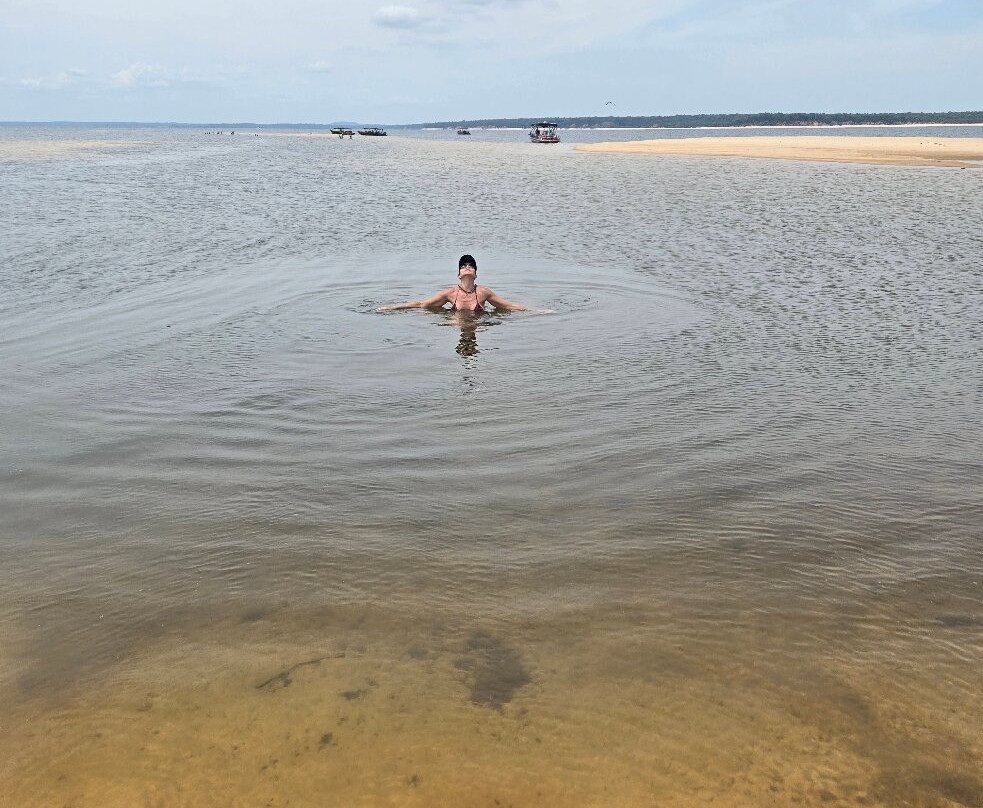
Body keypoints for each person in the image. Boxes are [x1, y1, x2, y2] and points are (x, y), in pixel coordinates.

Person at [378, 255, 538, 313]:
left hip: (476, 325)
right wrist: (393, 307)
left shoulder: (483, 292)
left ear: (475, 274)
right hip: (458, 324)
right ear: (458, 274)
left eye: (471, 265)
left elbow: (508, 306)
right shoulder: (450, 294)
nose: (467, 267)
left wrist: (537, 311)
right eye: (463, 266)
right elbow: (422, 304)